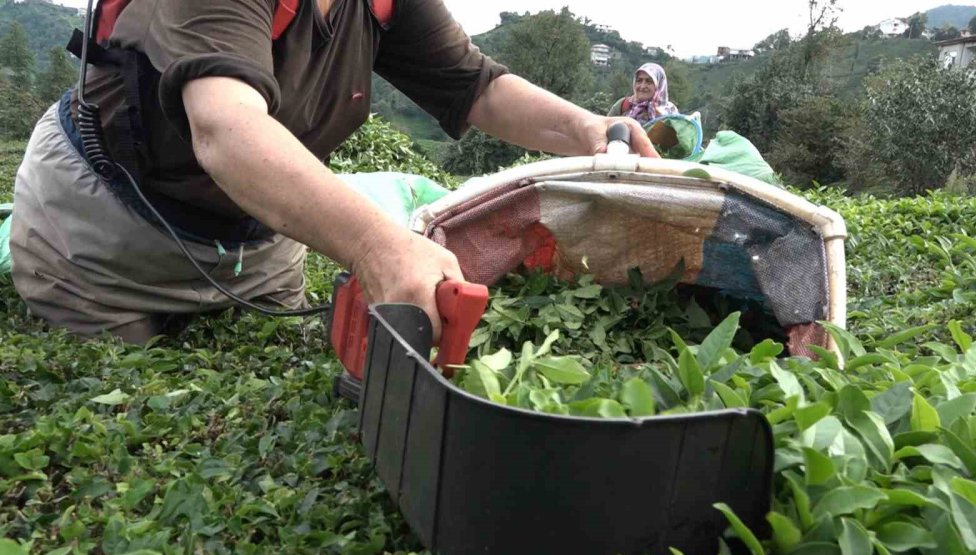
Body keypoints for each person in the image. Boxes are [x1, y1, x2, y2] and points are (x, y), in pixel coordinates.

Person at [9, 0, 657, 345]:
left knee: (270, 351)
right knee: (128, 378)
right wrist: (377, 244)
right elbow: (225, 129)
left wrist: (587, 129)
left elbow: (475, 86)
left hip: (255, 240)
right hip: (109, 228)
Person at [607, 62, 679, 125]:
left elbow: (678, 135)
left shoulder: (670, 111)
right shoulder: (623, 105)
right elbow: (605, 127)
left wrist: (660, 117)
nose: (642, 86)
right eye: (639, 81)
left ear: (659, 85)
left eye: (649, 81)